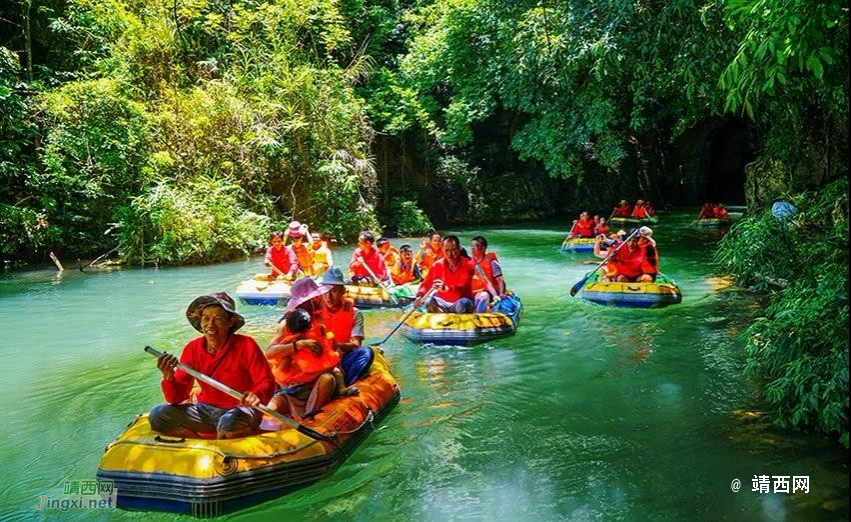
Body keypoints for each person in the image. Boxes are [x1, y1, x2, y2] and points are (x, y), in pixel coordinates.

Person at [149, 292, 276, 439]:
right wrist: (168, 377)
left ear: (230, 321)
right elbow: (176, 398)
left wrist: (256, 394)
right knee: (158, 416)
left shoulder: (246, 344)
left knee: (228, 422)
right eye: (206, 318)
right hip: (206, 410)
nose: (210, 325)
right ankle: (200, 446)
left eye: (217, 318)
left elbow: (267, 382)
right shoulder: (192, 348)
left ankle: (229, 447)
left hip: (243, 411)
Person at [266, 279, 340, 419]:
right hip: (294, 385)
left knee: (328, 378)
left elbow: (331, 349)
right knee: (272, 407)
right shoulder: (287, 324)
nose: (318, 300)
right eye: (312, 298)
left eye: (317, 297)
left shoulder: (318, 321)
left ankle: (310, 416)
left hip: (317, 381)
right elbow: (269, 352)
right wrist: (298, 345)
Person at [319, 267, 374, 387]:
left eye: (334, 291)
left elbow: (356, 344)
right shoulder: (315, 310)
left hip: (343, 357)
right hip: (320, 359)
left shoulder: (355, 313)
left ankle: (346, 384)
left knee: (366, 352)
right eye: (325, 291)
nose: (328, 297)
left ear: (343, 291)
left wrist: (336, 345)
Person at [415, 235, 485, 313]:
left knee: (463, 303)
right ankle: (441, 316)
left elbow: (463, 285)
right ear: (442, 249)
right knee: (428, 302)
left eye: (453, 250)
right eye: (446, 250)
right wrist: (419, 296)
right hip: (442, 301)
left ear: (459, 248)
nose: (450, 254)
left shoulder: (468, 264)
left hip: (460, 300)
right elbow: (426, 284)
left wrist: (446, 288)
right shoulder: (437, 265)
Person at [470, 236, 506, 312]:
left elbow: (499, 279)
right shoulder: (470, 262)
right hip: (476, 291)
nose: (472, 248)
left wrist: (501, 293)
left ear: (483, 248)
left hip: (490, 292)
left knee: (484, 296)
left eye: (475, 246)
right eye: (471, 246)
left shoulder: (491, 261)